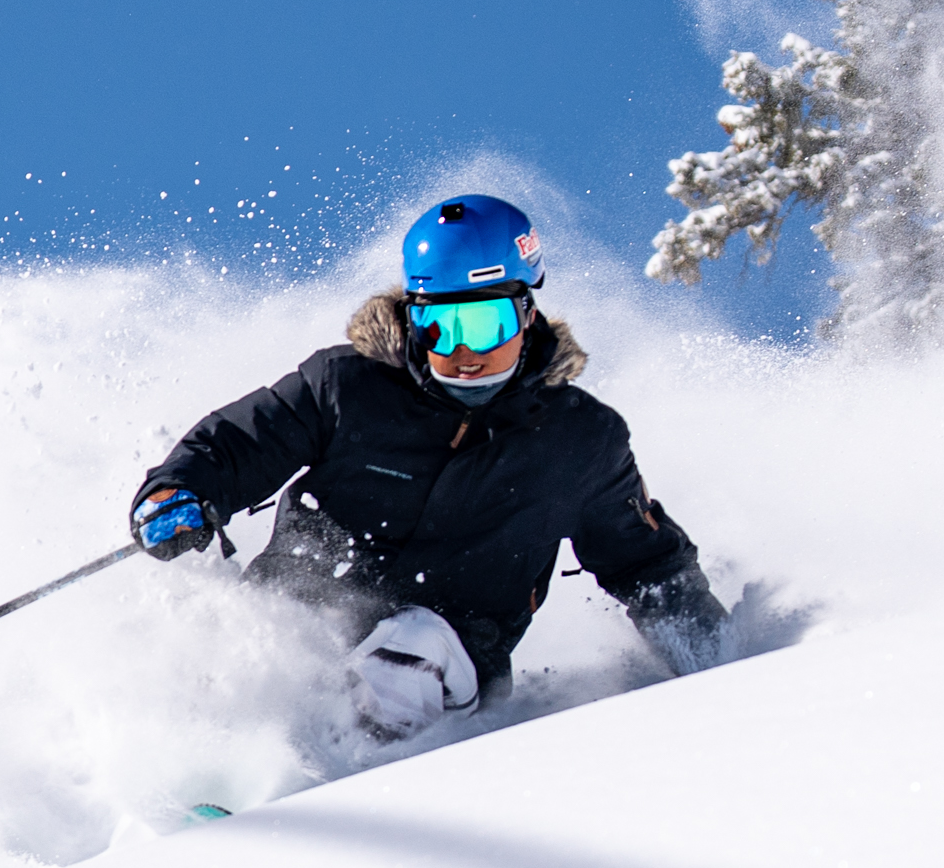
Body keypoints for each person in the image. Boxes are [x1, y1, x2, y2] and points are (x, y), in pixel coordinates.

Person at [127, 194, 726, 739]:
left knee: (405, 651)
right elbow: (236, 443)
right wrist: (176, 492)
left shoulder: (577, 441)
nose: (464, 352)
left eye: (485, 324)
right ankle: (191, 790)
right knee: (222, 639)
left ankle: (342, 797)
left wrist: (728, 671)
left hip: (450, 659)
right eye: (439, 326)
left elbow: (650, 569)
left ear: (527, 313)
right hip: (301, 621)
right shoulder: (346, 388)